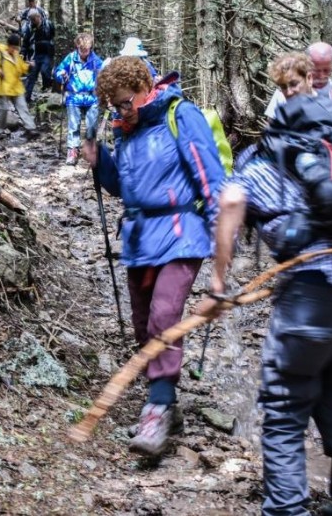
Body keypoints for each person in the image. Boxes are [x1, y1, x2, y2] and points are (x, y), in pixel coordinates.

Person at [196, 52, 332, 516]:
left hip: (310, 294)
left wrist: (219, 284)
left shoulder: (275, 149)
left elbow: (231, 202)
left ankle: (286, 510)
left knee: (284, 412)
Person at [82, 56, 225, 457]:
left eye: (126, 102)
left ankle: (157, 409)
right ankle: (165, 400)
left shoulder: (181, 115)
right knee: (144, 325)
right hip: (140, 238)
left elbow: (212, 179)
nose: (121, 111)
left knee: (165, 316)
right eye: (114, 105)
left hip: (182, 233)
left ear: (146, 88)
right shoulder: (125, 129)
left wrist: (220, 244)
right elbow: (120, 186)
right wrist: (101, 161)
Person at [264, 42, 332, 119]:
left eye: (326, 70)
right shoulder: (286, 92)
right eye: (316, 70)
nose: (321, 75)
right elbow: (271, 130)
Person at [55, 33, 104, 166]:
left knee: (92, 127)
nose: (84, 52)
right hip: (74, 96)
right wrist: (61, 75)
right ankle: (72, 151)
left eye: (87, 50)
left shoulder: (96, 60)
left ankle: (91, 150)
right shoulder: (70, 59)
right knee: (73, 126)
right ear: (77, 46)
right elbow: (58, 71)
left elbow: (104, 74)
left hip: (92, 97)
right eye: (82, 50)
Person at [0, 33, 40, 141]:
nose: (14, 49)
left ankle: (31, 129)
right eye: (13, 47)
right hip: (3, 87)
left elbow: (21, 68)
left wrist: (29, 66)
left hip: (16, 87)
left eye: (16, 47)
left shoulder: (15, 54)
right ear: (8, 45)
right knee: (3, 109)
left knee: (23, 108)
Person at [20, 9, 56, 103]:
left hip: (47, 54)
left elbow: (54, 36)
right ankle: (26, 99)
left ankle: (47, 89)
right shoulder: (29, 28)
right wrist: (22, 54)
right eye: (31, 19)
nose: (32, 21)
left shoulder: (48, 25)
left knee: (45, 71)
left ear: (38, 17)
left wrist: (52, 49)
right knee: (31, 76)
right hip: (35, 55)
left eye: (34, 19)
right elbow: (25, 42)